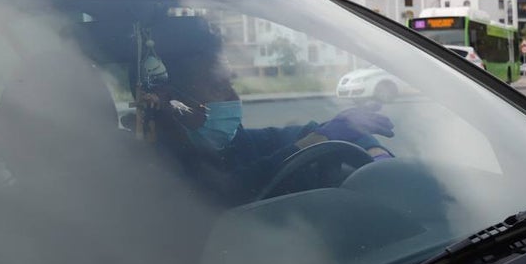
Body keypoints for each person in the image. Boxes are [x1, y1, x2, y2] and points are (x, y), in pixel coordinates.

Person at [140, 24, 394, 204]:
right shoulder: (159, 166)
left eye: (232, 85)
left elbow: (321, 130)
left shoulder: (237, 145)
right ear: (171, 100)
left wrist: (378, 156)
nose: (233, 98)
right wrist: (321, 137)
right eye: (217, 87)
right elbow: (229, 190)